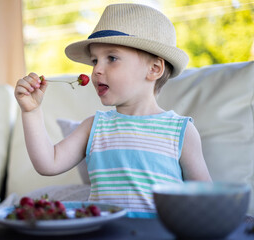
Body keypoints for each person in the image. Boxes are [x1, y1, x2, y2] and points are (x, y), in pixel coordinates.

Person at [15, 3, 212, 218]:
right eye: (94, 61)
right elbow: (48, 163)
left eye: (112, 58)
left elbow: (207, 198)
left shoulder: (180, 131)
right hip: (103, 232)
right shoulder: (94, 126)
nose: (97, 70)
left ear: (154, 69)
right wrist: (31, 112)